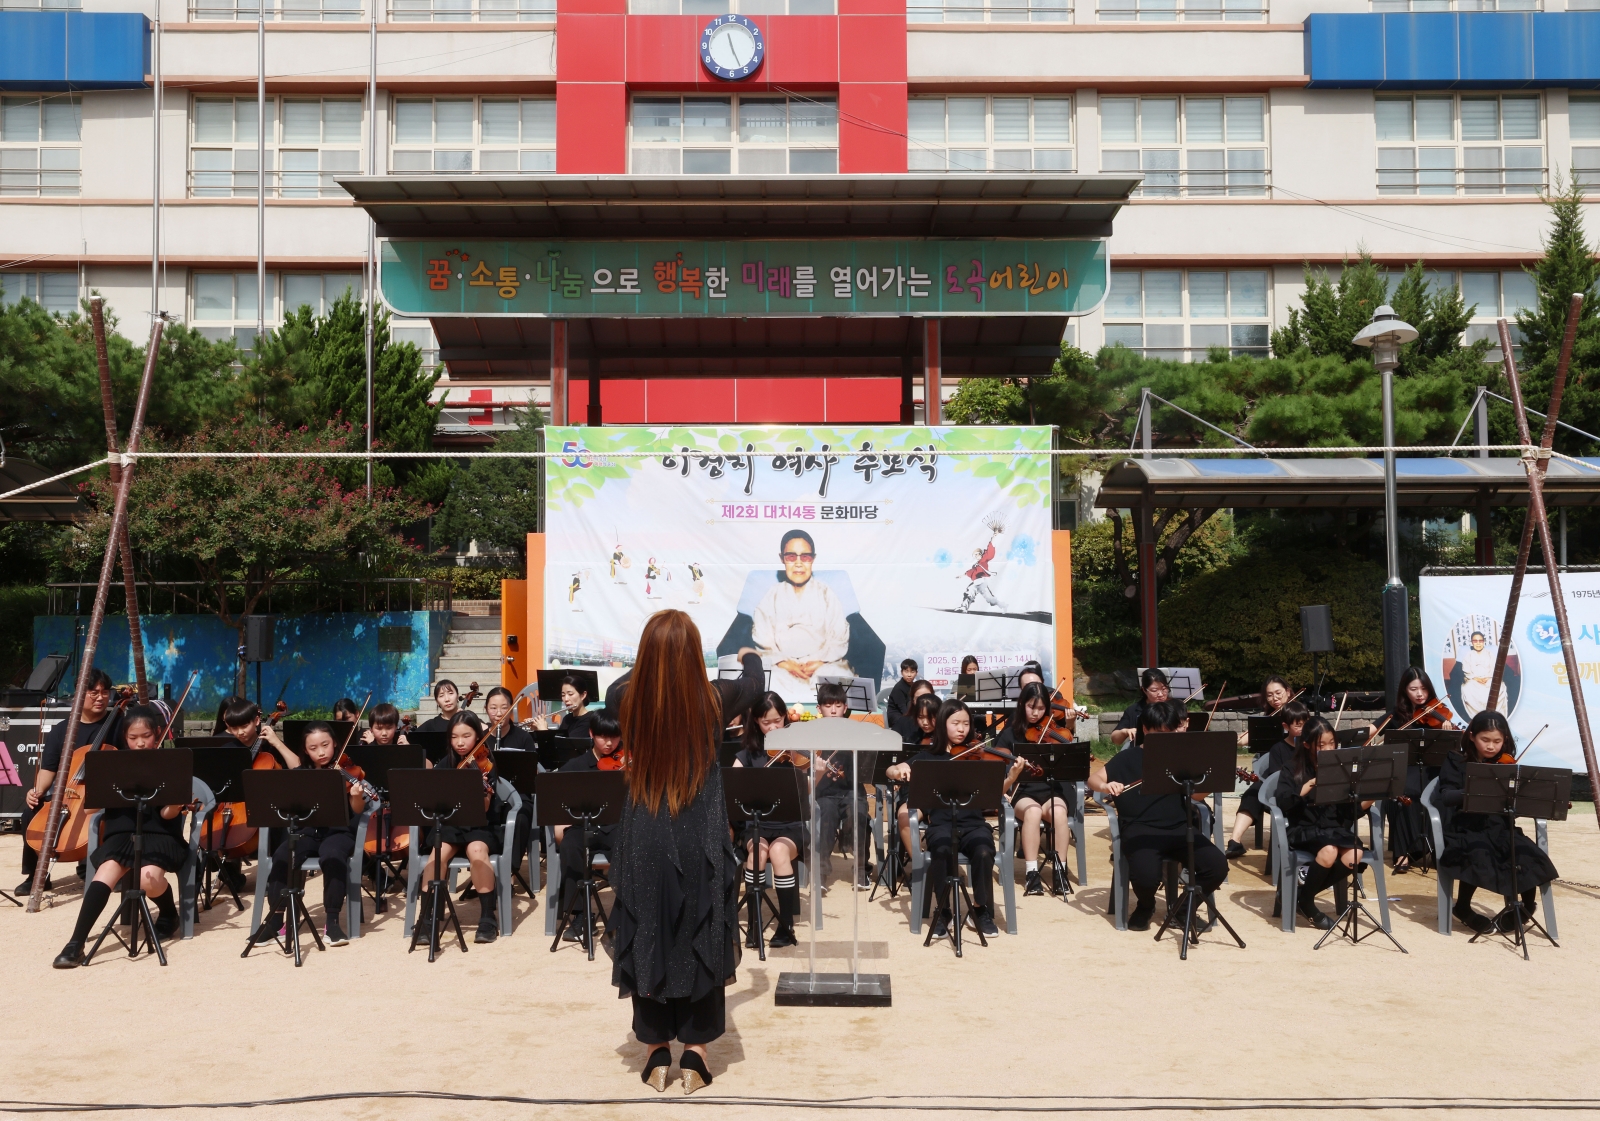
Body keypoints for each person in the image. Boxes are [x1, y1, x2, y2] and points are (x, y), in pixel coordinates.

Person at [610, 609, 740, 1095]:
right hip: (699, 832)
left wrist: (650, 661)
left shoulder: (625, 698)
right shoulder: (715, 701)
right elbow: (749, 678)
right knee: (701, 934)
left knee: (649, 932)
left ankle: (655, 1048)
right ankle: (698, 1055)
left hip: (644, 831)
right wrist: (743, 656)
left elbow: (631, 679)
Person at [52, 706, 198, 968]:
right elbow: (90, 810)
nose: (140, 743)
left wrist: (177, 803)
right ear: (125, 737)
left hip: (161, 835)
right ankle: (75, 943)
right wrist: (100, 790)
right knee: (105, 872)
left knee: (147, 878)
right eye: (133, 738)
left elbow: (166, 814)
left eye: (146, 736)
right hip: (122, 835)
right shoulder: (112, 762)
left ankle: (168, 914)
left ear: (157, 734)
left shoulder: (170, 763)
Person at [885, 699, 1022, 940]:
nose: (962, 729)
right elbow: (891, 770)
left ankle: (980, 910)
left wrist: (1010, 777)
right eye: (955, 723)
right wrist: (899, 771)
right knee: (940, 850)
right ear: (941, 725)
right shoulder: (928, 757)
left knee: (983, 851)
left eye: (966, 724)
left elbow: (994, 793)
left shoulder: (977, 757)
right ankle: (944, 910)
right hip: (940, 825)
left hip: (973, 824)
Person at [1088, 700, 1228, 932]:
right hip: (1139, 829)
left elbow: (1196, 797)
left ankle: (1184, 908)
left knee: (1217, 866)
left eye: (1170, 733)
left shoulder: (1183, 760)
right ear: (1145, 729)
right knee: (1145, 877)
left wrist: (1212, 780)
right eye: (1159, 733)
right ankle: (1146, 905)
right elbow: (1094, 779)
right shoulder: (1128, 758)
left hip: (1179, 828)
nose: (1165, 739)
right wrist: (1105, 786)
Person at [245, 721, 369, 949]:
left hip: (338, 832)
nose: (321, 752)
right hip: (308, 831)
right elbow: (295, 769)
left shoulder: (347, 772)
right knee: (283, 855)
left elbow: (358, 810)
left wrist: (357, 795)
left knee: (332, 855)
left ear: (335, 744)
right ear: (305, 750)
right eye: (313, 748)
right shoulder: (302, 774)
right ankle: (275, 920)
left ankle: (332, 922)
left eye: (326, 745)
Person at [1437, 710, 1559, 934]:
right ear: (1472, 736)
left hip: (1500, 826)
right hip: (1466, 827)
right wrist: (1476, 789)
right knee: (1478, 853)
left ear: (1505, 741)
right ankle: (1463, 907)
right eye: (1485, 740)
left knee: (1524, 852)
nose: (1491, 747)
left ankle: (1526, 908)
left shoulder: (1507, 764)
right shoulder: (1455, 760)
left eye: (1497, 741)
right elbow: (1445, 796)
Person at [416, 711, 506, 943]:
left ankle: (487, 917)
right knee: (438, 854)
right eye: (455, 737)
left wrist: (482, 790)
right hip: (450, 824)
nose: (460, 742)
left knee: (477, 850)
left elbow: (486, 809)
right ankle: (427, 917)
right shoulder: (445, 765)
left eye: (466, 735)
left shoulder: (487, 764)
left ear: (478, 735)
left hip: (480, 824)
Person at [22, 668, 115, 893]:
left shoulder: (117, 724)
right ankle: (37, 874)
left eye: (105, 692)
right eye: (94, 692)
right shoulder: (62, 730)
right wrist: (36, 791)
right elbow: (48, 770)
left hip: (106, 793)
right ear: (78, 694)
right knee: (30, 812)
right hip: (70, 794)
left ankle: (107, 866)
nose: (101, 697)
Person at [1275, 716, 1367, 931]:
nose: (1328, 749)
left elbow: (1346, 813)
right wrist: (1305, 788)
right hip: (1303, 829)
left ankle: (1300, 896)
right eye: (1321, 745)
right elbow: (1284, 802)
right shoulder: (1292, 768)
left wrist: (1368, 799)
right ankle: (1307, 904)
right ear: (1307, 745)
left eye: (1332, 743)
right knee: (1329, 851)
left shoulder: (1341, 769)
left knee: (1355, 855)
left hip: (1332, 829)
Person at [731, 692, 805, 948]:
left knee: (779, 852)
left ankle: (785, 925)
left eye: (778, 720)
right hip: (757, 825)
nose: (774, 727)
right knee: (757, 855)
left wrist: (813, 773)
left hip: (790, 825)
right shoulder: (748, 755)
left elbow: (807, 796)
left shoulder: (797, 752)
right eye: (766, 722)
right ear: (756, 723)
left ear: (785, 717)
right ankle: (754, 923)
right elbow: (731, 788)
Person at [750, 529, 852, 699]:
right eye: (791, 557)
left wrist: (820, 661)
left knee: (838, 678)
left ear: (813, 559)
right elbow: (763, 637)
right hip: (783, 666)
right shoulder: (772, 595)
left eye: (805, 557)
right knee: (769, 681)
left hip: (822, 664)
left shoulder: (825, 593)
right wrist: (784, 663)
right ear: (782, 558)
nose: (798, 563)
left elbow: (839, 635)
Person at [996, 681, 1074, 896]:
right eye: (1032, 707)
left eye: (1041, 709)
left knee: (1059, 812)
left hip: (1050, 788)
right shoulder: (1009, 734)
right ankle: (1032, 872)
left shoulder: (1052, 732)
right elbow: (998, 766)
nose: (1036, 713)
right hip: (1023, 791)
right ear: (1022, 704)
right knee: (1033, 812)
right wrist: (1013, 770)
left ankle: (1060, 869)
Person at [554, 711, 624, 945]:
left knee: (629, 846)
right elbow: (557, 800)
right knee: (571, 845)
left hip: (615, 826)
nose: (609, 743)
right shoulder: (577, 765)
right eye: (603, 737)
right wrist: (559, 824)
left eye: (614, 738)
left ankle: (626, 913)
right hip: (583, 825)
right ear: (592, 734)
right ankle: (581, 915)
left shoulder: (626, 762)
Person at [1225, 693, 1307, 858]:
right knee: (1253, 793)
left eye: (1306, 725)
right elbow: (1277, 777)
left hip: (1308, 793)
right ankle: (1235, 841)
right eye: (1298, 726)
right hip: (1288, 795)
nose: (1303, 729)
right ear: (1286, 726)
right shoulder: (1278, 748)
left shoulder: (1310, 745)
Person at [1385, 666, 1451, 874]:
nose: (1420, 694)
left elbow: (1453, 751)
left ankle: (1441, 849)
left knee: (1445, 795)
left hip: (1434, 769)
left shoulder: (1441, 713)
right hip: (1409, 768)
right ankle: (1404, 851)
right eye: (1414, 689)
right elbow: (1375, 728)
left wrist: (1448, 732)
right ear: (1405, 691)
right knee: (1405, 793)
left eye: (1423, 688)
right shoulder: (1398, 716)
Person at [813, 682, 872, 888]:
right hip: (825, 793)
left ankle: (861, 870)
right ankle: (820, 872)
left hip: (852, 791)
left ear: (845, 708)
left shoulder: (857, 732)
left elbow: (867, 767)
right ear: (819, 709)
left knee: (859, 811)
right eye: (828, 705)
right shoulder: (812, 733)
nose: (833, 710)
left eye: (838, 705)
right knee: (826, 815)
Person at [1110, 668, 1170, 747]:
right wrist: (1125, 731)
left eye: (1164, 689)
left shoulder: (1173, 708)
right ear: (1144, 690)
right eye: (1154, 690)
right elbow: (1115, 739)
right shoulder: (1134, 710)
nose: (1161, 694)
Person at [532, 674, 596, 739]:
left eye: (570, 694)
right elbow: (558, 739)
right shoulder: (567, 719)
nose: (566, 699)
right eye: (563, 695)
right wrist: (538, 728)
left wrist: (543, 730)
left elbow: (568, 745)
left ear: (583, 695)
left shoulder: (590, 720)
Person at [958, 526, 1004, 613]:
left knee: (990, 599)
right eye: (974, 555)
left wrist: (994, 536)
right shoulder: (976, 565)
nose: (976, 556)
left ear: (980, 553)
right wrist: (962, 575)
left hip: (982, 582)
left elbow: (990, 548)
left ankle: (1001, 605)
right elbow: (971, 572)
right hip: (976, 582)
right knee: (969, 592)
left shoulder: (984, 559)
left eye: (977, 554)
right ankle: (964, 607)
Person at [1458, 630, 1497, 717]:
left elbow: (1494, 668)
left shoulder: (1490, 654)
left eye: (1480, 641)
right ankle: (1477, 716)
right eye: (1475, 641)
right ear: (1472, 642)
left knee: (1498, 687)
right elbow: (1466, 670)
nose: (1478, 643)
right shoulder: (1468, 655)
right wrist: (1475, 678)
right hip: (1474, 679)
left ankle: (1492, 715)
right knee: (1468, 688)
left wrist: (1488, 677)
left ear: (1484, 642)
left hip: (1489, 678)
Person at [884, 659, 919, 727]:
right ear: (901, 672)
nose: (909, 675)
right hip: (896, 715)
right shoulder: (899, 688)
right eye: (906, 671)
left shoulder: (915, 686)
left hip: (908, 712)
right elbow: (903, 709)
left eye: (912, 672)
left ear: (916, 673)